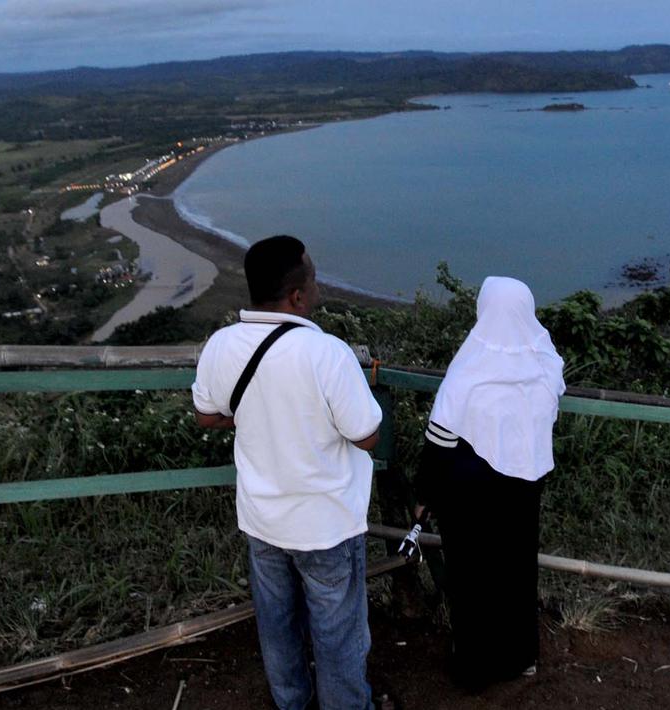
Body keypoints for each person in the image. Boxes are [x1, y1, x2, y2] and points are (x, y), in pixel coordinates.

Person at [192, 235, 382, 710]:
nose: (317, 287)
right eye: (313, 279)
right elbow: (367, 435)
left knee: (277, 627)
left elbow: (207, 414)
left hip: (262, 520)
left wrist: (259, 413)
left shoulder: (221, 345)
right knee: (338, 634)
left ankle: (291, 703)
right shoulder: (327, 353)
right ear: (297, 295)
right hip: (326, 525)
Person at [413, 276, 565, 690]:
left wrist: (423, 496)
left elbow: (439, 439)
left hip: (467, 495)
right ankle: (521, 658)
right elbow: (549, 399)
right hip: (523, 489)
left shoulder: (468, 371)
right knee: (516, 573)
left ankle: (474, 669)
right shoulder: (544, 367)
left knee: (472, 579)